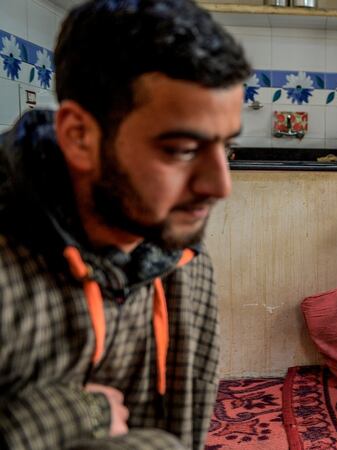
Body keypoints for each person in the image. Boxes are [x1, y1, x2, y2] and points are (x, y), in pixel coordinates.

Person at [0, 0, 250, 448]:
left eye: (226, 147)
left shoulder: (181, 255)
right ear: (80, 136)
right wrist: (64, 417)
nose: (219, 186)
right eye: (181, 149)